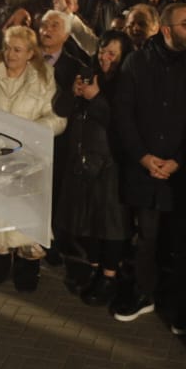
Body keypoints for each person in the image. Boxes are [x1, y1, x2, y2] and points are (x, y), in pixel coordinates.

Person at [112, 2, 186, 325]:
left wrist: (179, 160)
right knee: (147, 237)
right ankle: (144, 292)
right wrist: (143, 157)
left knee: (181, 241)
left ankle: (178, 303)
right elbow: (123, 114)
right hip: (145, 168)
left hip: (182, 171)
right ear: (167, 30)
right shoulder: (137, 62)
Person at [0, 26, 67, 290]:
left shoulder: (44, 79)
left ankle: (27, 263)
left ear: (31, 53)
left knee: (26, 219)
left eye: (17, 50)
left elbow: (58, 119)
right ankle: (0, 256)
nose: (10, 54)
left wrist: (30, 132)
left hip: (27, 160)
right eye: (7, 47)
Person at [57, 31, 133, 305]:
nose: (105, 57)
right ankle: (93, 267)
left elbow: (122, 123)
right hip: (83, 160)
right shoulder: (89, 74)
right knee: (88, 219)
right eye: (102, 50)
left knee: (111, 223)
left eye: (112, 53)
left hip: (111, 162)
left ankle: (109, 276)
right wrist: (73, 92)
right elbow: (62, 110)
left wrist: (97, 97)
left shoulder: (127, 82)